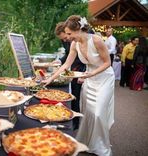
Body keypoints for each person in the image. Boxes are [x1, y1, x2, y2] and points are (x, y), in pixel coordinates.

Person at [42, 15, 115, 156]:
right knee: (88, 112)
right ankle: (88, 143)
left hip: (104, 78)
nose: (67, 37)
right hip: (88, 77)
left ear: (79, 30)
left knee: (99, 113)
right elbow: (66, 65)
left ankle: (101, 147)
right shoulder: (74, 44)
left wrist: (90, 75)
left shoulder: (97, 40)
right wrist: (50, 79)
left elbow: (107, 63)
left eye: (69, 34)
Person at [54, 22, 85, 130]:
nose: (64, 40)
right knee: (71, 94)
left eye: (64, 37)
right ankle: (73, 119)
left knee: (76, 96)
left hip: (80, 69)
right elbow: (68, 54)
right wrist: (59, 61)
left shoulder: (77, 38)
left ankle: (75, 123)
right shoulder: (66, 40)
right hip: (71, 68)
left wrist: (83, 73)